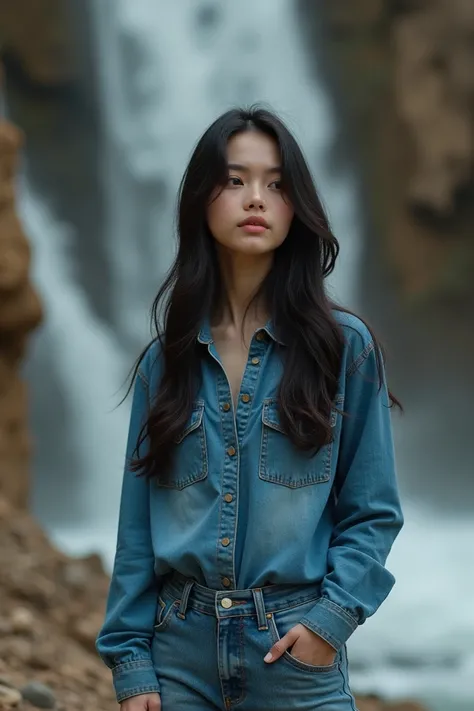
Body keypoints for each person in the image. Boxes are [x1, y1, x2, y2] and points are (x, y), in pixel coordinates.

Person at [96, 106, 404, 711]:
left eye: (277, 183)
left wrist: (327, 624)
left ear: (298, 206)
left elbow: (372, 511)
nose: (256, 198)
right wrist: (132, 664)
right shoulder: (166, 362)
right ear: (201, 200)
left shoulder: (344, 350)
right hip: (178, 656)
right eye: (235, 180)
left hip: (293, 653)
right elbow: (138, 531)